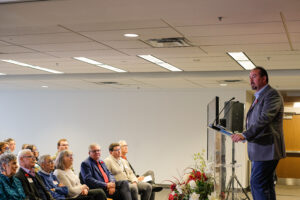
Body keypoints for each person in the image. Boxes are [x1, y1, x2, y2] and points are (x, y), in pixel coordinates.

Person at [231, 66, 286, 200]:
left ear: (264, 78)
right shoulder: (259, 97)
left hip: (267, 149)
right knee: (266, 184)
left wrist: (245, 134)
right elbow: (255, 121)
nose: (251, 80)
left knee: (257, 183)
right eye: (250, 77)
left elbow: (264, 119)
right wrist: (245, 134)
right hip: (260, 150)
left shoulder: (272, 95)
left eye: (254, 76)